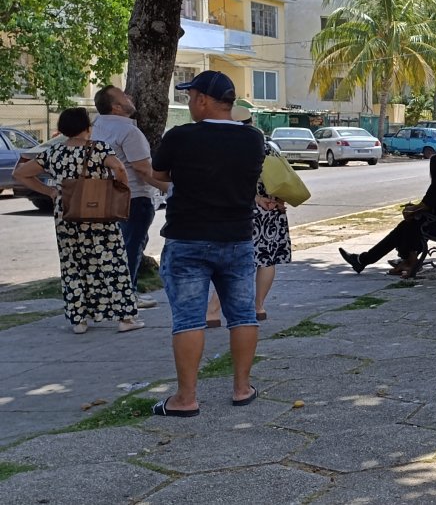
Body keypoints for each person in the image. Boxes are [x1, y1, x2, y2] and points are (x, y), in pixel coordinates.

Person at [150, 71, 265, 416]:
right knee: (243, 315)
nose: (189, 104)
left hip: (187, 238)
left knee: (188, 319)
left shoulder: (180, 137)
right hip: (237, 238)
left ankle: (186, 398)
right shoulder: (253, 139)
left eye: (190, 97)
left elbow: (159, 174)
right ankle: (242, 388)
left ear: (201, 99)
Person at [13, 108, 144, 334]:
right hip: (99, 214)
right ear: (87, 127)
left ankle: (79, 320)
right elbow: (119, 168)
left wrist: (50, 191)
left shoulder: (54, 153)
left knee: (72, 264)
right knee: (112, 262)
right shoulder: (99, 148)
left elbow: (21, 173)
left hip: (67, 213)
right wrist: (120, 189)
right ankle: (125, 318)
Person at [207, 106, 291, 326]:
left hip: (241, 209)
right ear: (252, 122)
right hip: (272, 209)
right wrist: (280, 200)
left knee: (232, 262)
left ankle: (213, 311)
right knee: (267, 259)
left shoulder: (227, 148)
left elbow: (227, 182)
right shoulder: (269, 147)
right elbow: (286, 178)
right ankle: (259, 307)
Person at [91, 85, 170, 310]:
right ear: (116, 107)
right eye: (124, 96)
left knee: (114, 248)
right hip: (134, 197)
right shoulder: (128, 132)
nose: (130, 96)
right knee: (131, 248)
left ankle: (112, 294)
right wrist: (172, 188)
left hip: (105, 196)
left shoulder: (95, 128)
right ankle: (127, 295)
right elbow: (143, 171)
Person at [340, 154, 436, 278]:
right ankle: (370, 260)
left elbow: (421, 208)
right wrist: (416, 209)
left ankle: (399, 260)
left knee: (405, 227)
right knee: (406, 227)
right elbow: (431, 205)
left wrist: (409, 209)